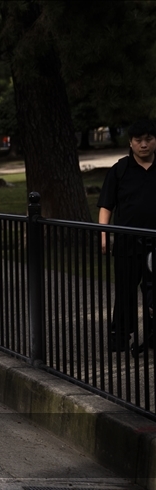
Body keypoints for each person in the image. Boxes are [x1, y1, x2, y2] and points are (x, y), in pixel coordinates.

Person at [98, 118, 156, 355]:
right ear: (130, 143)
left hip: (155, 243)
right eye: (138, 140)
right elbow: (106, 205)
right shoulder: (120, 170)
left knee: (153, 294)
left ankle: (152, 338)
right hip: (126, 242)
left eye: (149, 139)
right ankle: (120, 336)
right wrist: (103, 234)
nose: (144, 145)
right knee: (125, 291)